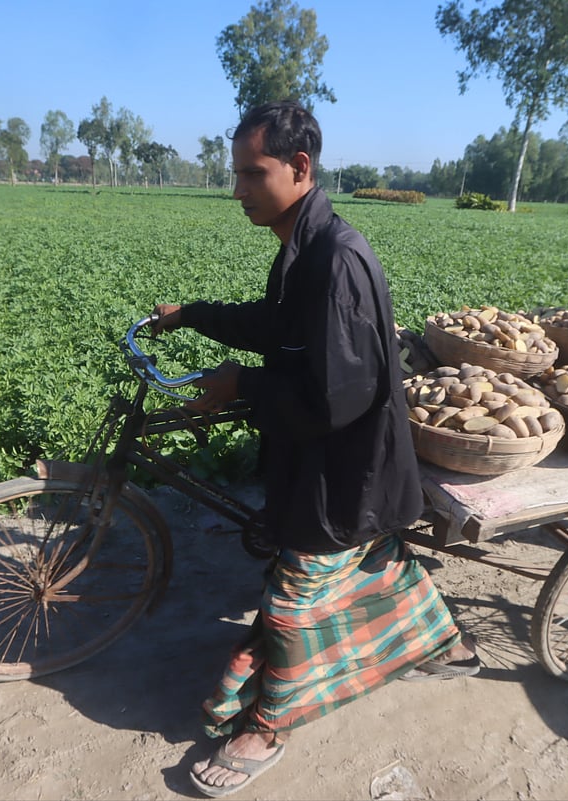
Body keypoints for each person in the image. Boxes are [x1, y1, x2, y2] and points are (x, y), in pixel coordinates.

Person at [151, 101, 477, 797]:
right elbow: (275, 327)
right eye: (236, 174)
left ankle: (268, 726)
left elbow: (338, 399)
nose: (237, 189)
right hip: (319, 462)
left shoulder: (337, 262)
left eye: (251, 173)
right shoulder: (303, 248)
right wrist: (194, 317)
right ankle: (439, 639)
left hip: (345, 475)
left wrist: (240, 383)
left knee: (289, 607)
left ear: (299, 168)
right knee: (367, 566)